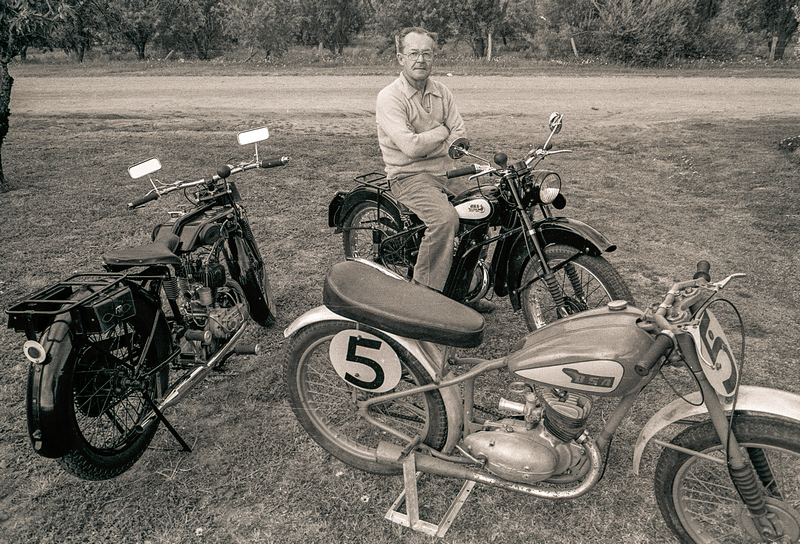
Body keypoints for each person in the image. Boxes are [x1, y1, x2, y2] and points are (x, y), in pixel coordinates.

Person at [375, 27, 469, 294]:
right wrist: (442, 132)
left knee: (484, 207)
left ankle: (464, 288)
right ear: (400, 58)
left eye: (427, 53)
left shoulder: (443, 92)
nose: (421, 59)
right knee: (445, 220)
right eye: (413, 53)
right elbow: (410, 147)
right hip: (408, 177)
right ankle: (422, 295)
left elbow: (460, 139)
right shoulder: (390, 97)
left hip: (447, 172)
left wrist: (432, 140)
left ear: (434, 57)